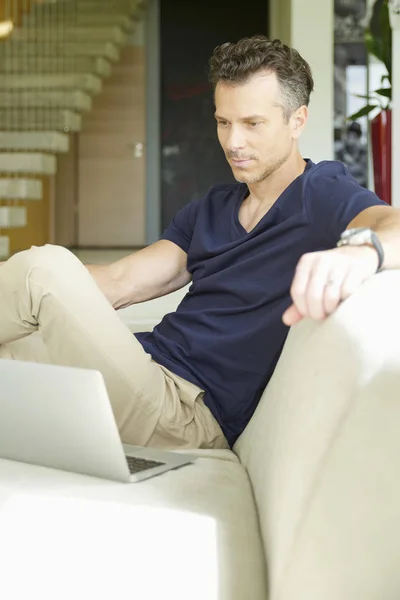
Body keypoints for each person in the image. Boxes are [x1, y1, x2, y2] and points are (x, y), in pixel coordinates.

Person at [1, 36, 399, 450]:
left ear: (297, 120)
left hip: (186, 414)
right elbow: (118, 283)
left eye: (252, 124)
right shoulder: (212, 208)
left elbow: (395, 225)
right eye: (223, 122)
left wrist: (362, 251)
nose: (233, 142)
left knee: (42, 269)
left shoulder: (320, 193)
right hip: (143, 374)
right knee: (11, 357)